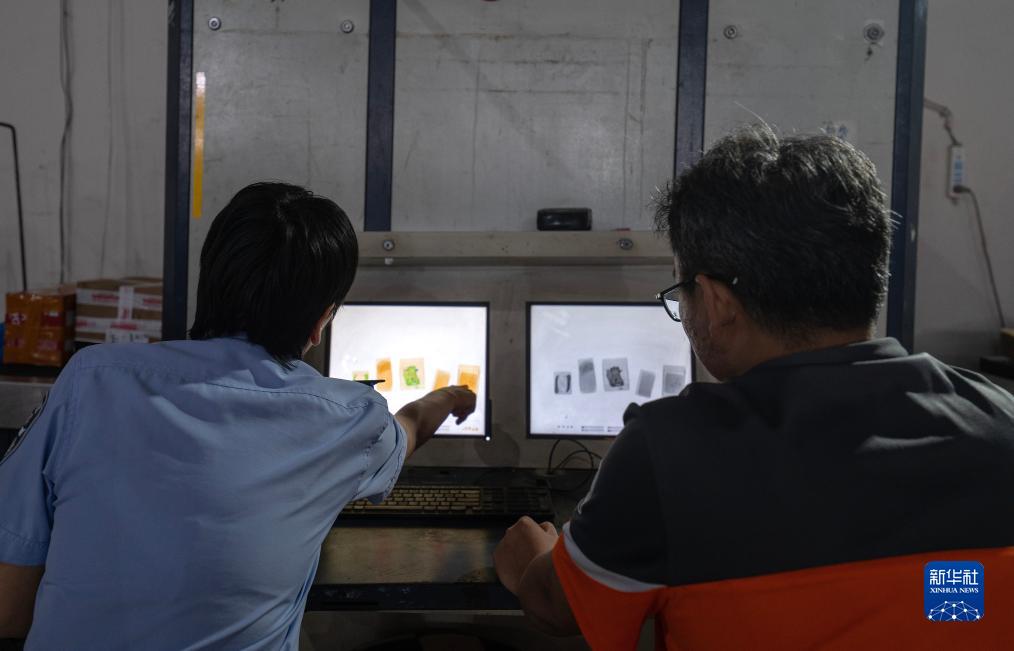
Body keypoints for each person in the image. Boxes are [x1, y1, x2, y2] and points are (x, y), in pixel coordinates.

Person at [494, 125, 1014, 648]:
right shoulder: (1000, 420)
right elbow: (948, 608)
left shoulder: (671, 453)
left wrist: (533, 557)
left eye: (681, 293)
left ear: (717, 302)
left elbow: (554, 607)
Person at [0, 182, 475, 649]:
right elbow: (409, 427)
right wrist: (452, 396)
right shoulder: (349, 419)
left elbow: (11, 609)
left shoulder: (91, 379)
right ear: (320, 322)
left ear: (210, 281)